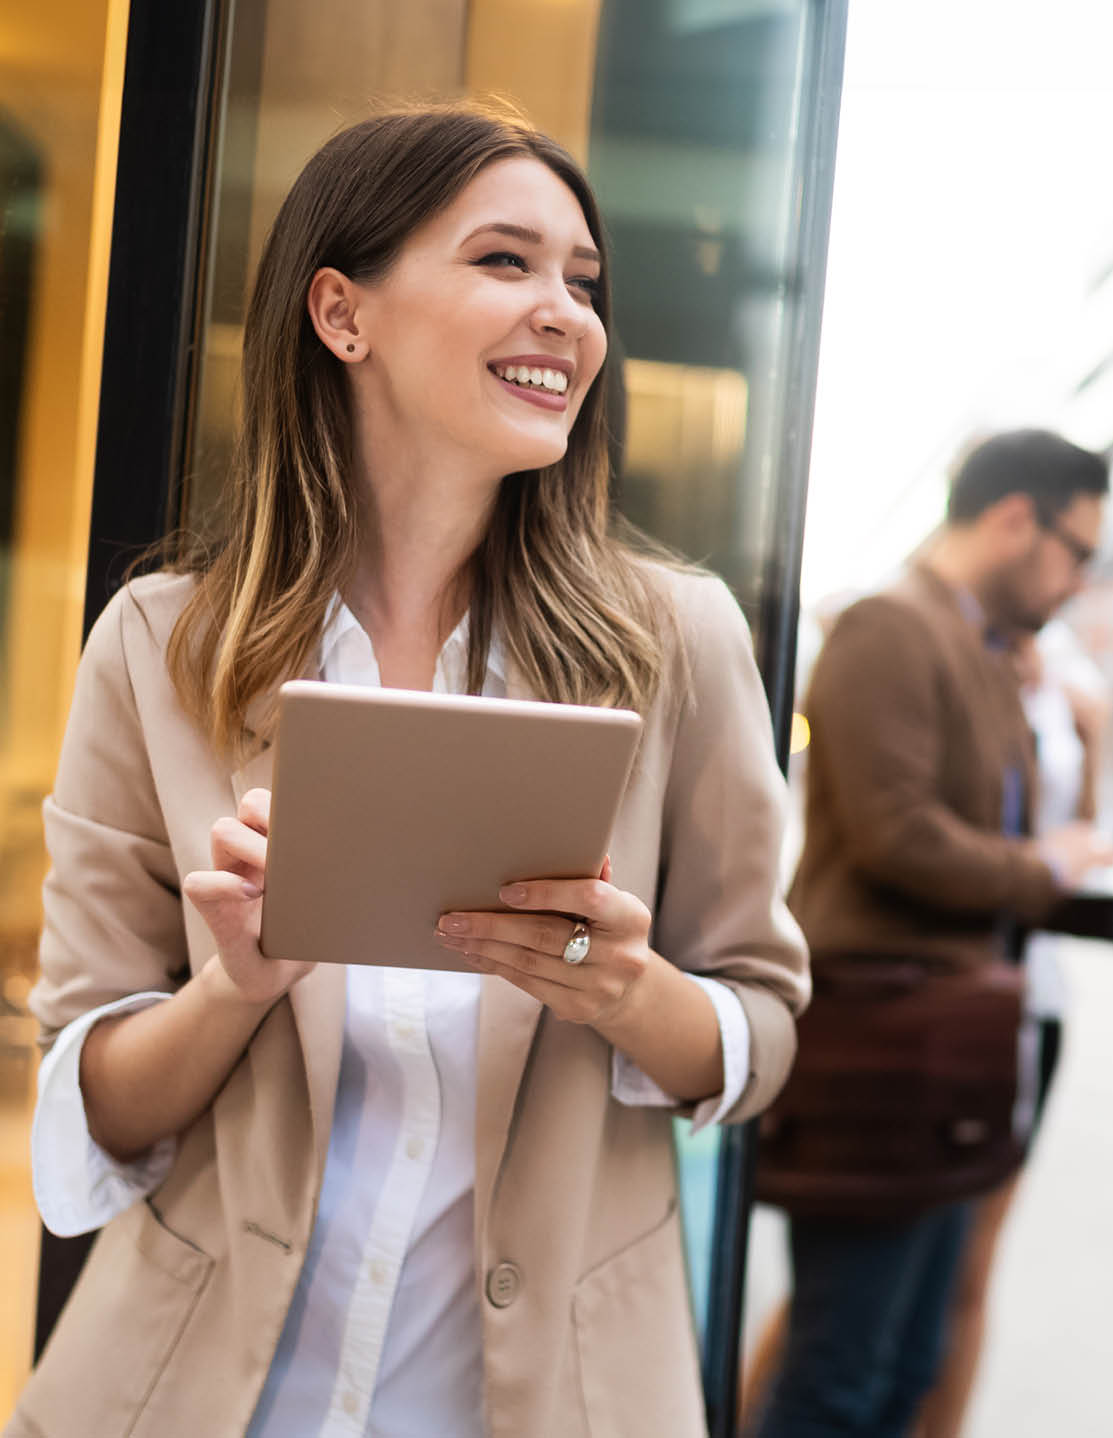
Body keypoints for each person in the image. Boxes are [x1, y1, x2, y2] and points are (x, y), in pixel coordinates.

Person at [6, 104, 808, 1438]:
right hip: (198, 1395)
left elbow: (762, 1031)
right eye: (506, 261)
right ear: (342, 313)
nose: (566, 313)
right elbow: (87, 1093)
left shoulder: (675, 641)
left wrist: (623, 988)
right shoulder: (161, 646)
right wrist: (234, 987)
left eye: (582, 281)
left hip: (552, 1400)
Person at [753, 429, 1112, 1438]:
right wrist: (1041, 869)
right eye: (1077, 552)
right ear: (1012, 520)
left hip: (948, 1041)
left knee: (903, 1356)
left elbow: (1024, 829)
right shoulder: (889, 627)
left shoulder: (982, 647)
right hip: (889, 1046)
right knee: (842, 1369)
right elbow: (896, 835)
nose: (1080, 578)